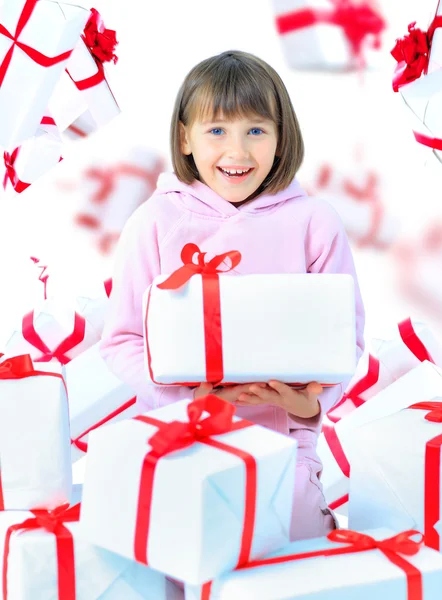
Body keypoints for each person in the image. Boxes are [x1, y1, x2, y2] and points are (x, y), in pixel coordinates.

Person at [100, 49, 365, 541]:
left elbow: (345, 343)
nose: (238, 152)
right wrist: (189, 395)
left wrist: (307, 404)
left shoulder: (315, 222)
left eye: (256, 130)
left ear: (282, 138)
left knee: (290, 568)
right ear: (185, 136)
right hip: (182, 440)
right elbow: (122, 341)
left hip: (285, 444)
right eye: (217, 130)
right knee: (187, 561)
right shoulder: (155, 221)